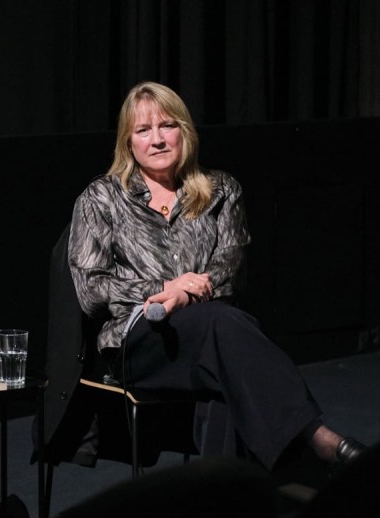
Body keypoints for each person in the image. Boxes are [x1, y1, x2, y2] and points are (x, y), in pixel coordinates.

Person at [43, 81, 366, 476]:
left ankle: (219, 507)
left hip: (208, 337)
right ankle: (317, 439)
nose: (157, 139)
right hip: (140, 342)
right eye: (143, 131)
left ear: (185, 131)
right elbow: (92, 290)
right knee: (223, 327)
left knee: (226, 387)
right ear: (128, 144)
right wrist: (165, 290)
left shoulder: (221, 191)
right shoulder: (102, 198)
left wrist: (186, 298)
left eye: (167, 126)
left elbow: (229, 270)